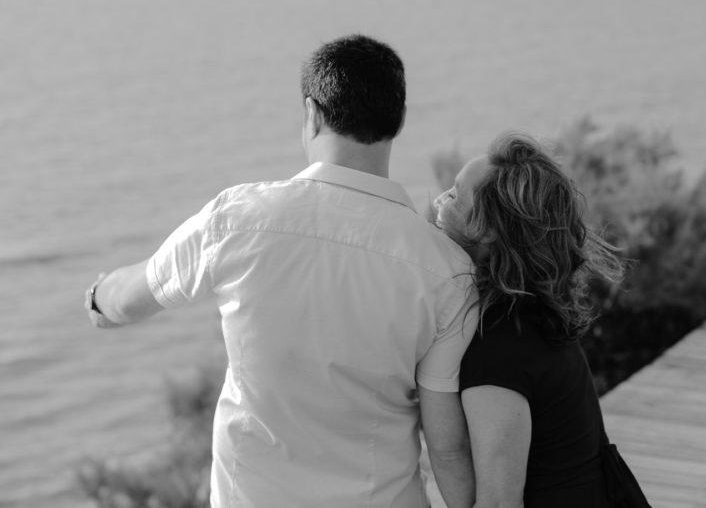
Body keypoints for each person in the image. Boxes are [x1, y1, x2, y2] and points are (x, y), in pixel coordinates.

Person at [84, 34, 478, 508]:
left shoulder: (236, 219)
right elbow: (447, 445)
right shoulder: (449, 271)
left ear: (312, 113)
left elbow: (130, 296)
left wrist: (97, 297)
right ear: (399, 121)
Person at [432, 133, 625, 508]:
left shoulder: (498, 348)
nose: (440, 201)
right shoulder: (536, 312)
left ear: (486, 230)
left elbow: (500, 504)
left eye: (455, 196)